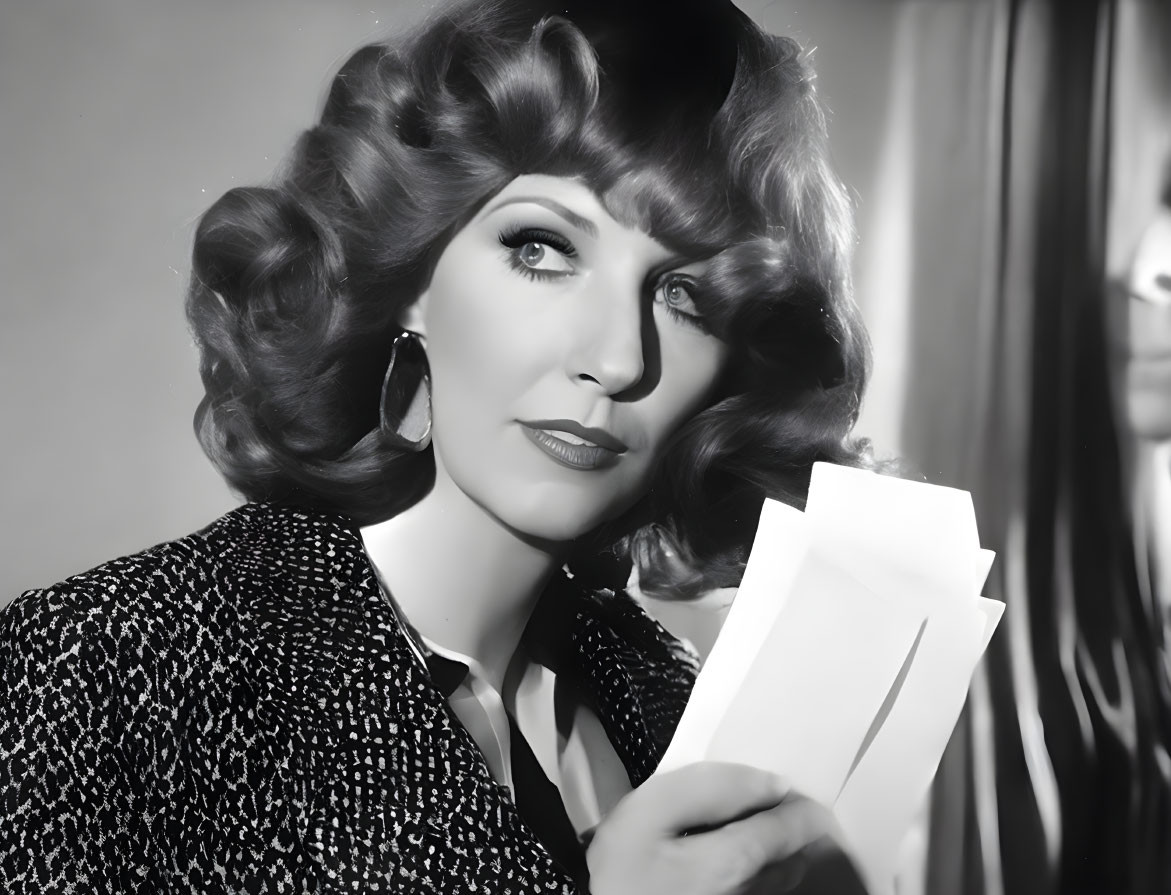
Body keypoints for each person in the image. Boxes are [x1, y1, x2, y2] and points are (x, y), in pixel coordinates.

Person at [0, 0, 874, 891]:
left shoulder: (665, 699)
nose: (615, 359)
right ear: (411, 271)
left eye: (685, 297)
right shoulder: (107, 668)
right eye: (541, 249)